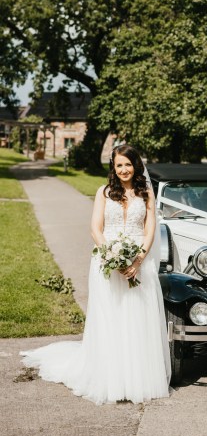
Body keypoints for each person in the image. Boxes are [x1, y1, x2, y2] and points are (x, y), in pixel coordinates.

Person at [21, 144, 171, 405]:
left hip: (139, 263)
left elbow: (150, 230)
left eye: (128, 164)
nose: (124, 169)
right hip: (106, 261)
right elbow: (95, 229)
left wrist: (137, 261)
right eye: (119, 165)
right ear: (113, 168)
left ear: (136, 165)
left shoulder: (146, 193)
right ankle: (110, 377)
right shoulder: (104, 192)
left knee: (137, 318)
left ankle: (136, 378)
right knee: (110, 316)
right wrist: (111, 256)